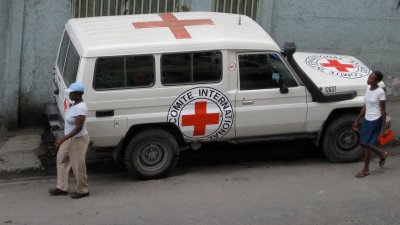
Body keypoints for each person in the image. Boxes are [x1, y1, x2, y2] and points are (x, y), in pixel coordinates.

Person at [48, 82, 90, 198]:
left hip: (78, 139)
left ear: (77, 94)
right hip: (69, 138)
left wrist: (62, 139)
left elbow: (78, 128)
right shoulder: (74, 104)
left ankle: (83, 190)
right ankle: (62, 187)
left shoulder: (81, 108)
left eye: (71, 93)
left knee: (78, 165)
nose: (69, 95)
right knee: (61, 159)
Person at [353, 71, 389, 178]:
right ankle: (382, 154)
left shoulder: (380, 92)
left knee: (366, 145)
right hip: (367, 119)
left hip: (376, 120)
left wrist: (383, 127)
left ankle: (366, 170)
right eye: (369, 77)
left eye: (372, 78)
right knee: (364, 143)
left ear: (377, 81)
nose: (369, 79)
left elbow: (383, 110)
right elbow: (365, 106)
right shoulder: (368, 88)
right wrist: (357, 120)